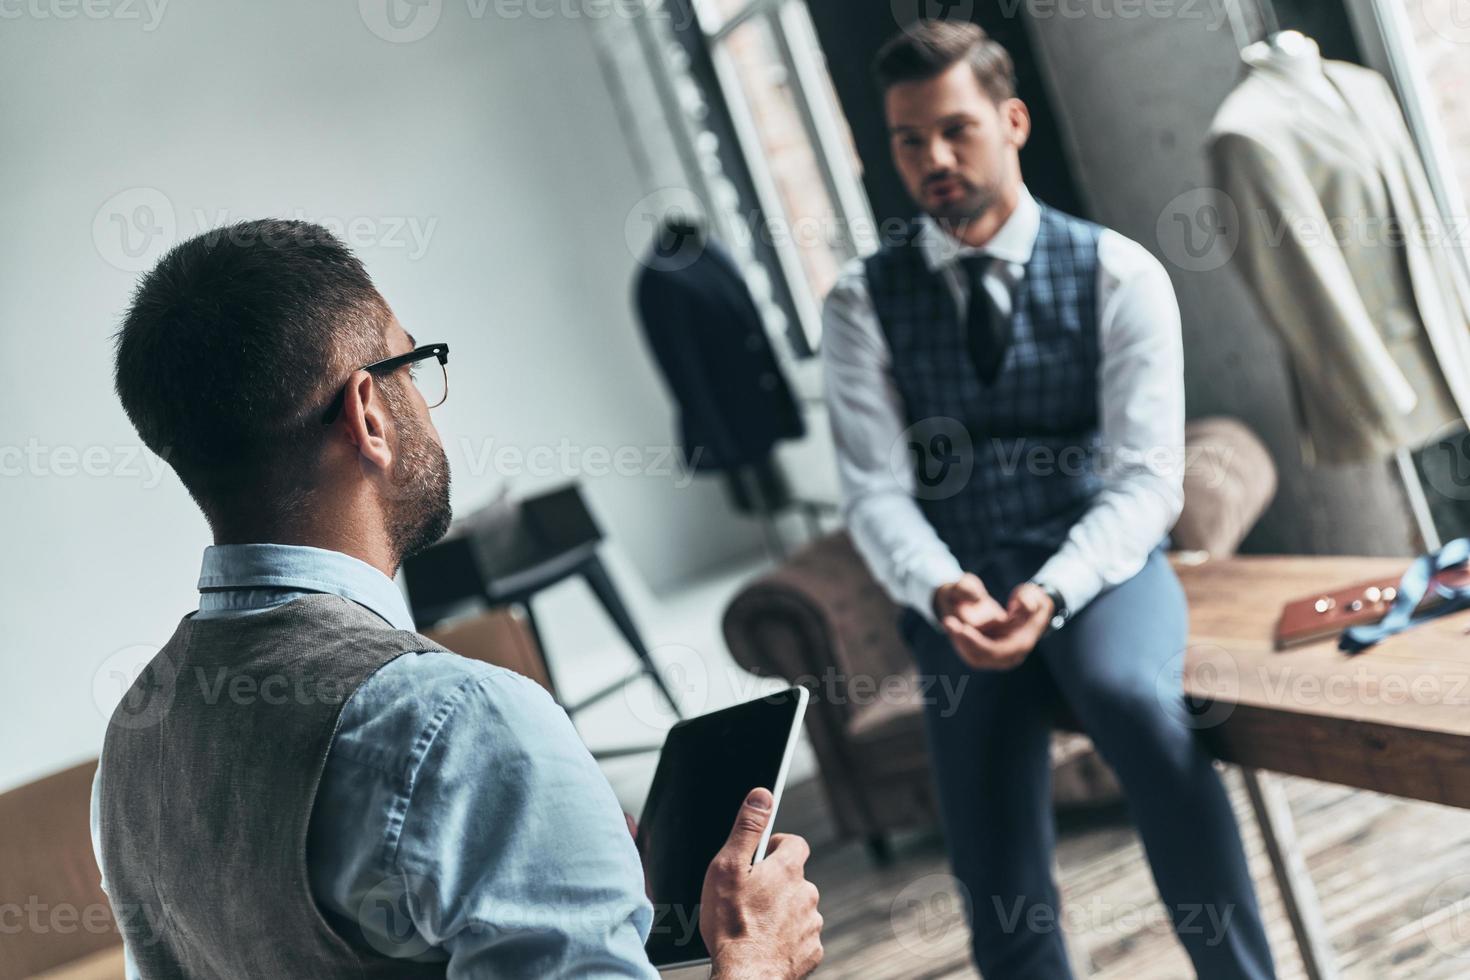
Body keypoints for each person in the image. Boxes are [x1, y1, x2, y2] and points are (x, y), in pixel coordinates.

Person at [91, 219, 823, 979]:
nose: (428, 405)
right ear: (367, 412)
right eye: (414, 364)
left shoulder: (131, 749)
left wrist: (559, 862)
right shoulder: (460, 724)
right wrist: (756, 961)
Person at [821, 21, 1276, 979]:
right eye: (908, 140)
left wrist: (1059, 589)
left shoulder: (1121, 275)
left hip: (1098, 567)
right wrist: (944, 590)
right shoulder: (860, 303)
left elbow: (1147, 479)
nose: (934, 159)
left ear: (1013, 120)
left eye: (956, 130)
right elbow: (873, 491)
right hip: (960, 588)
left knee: (1134, 702)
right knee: (990, 848)